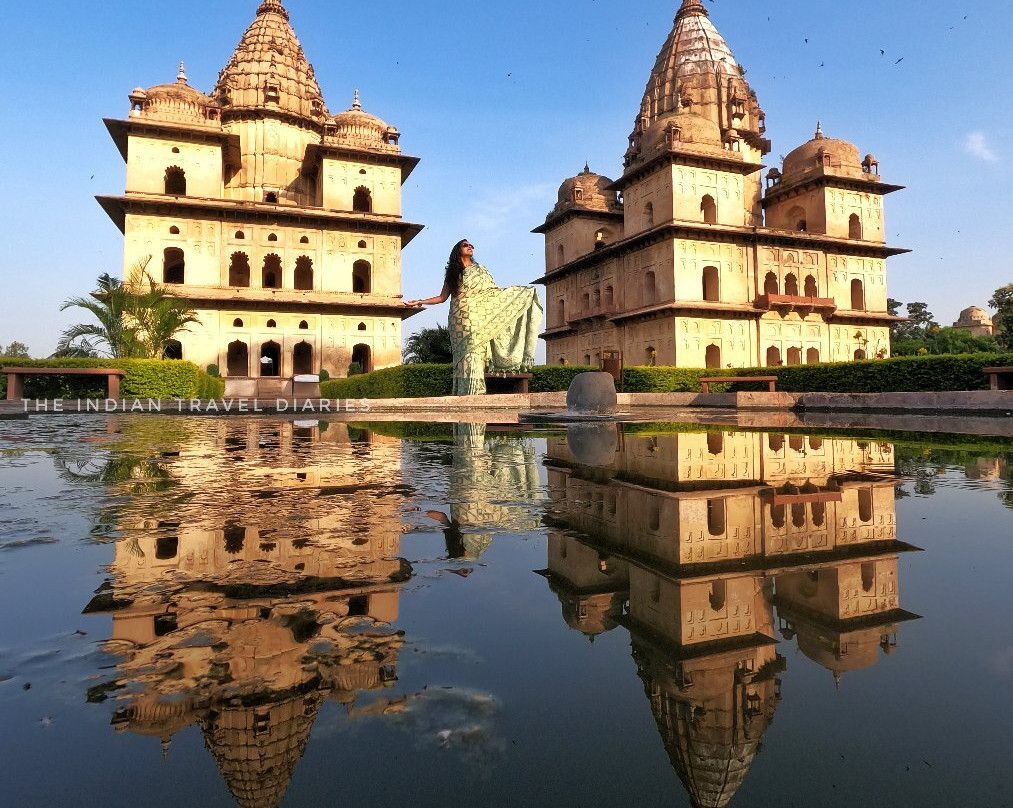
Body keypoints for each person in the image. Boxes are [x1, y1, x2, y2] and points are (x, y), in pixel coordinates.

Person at [405, 240, 542, 395]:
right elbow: (442, 297)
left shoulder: (480, 270)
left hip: (479, 315)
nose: (470, 247)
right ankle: (465, 395)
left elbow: (492, 292)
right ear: (457, 250)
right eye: (466, 245)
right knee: (466, 352)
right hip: (460, 316)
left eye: (471, 245)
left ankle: (475, 394)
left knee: (476, 349)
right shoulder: (453, 272)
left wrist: (519, 293)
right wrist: (420, 301)